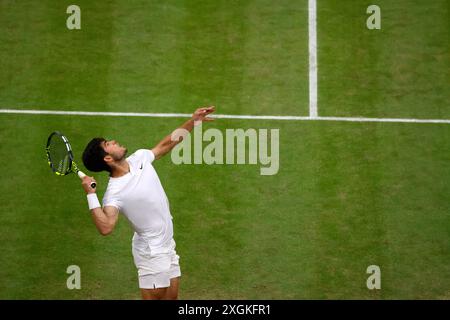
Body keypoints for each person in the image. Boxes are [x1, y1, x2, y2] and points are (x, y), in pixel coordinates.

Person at [80, 106, 215, 300]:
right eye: (109, 144)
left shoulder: (140, 157)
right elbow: (106, 227)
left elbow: (167, 144)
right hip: (151, 252)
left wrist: (193, 121)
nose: (115, 142)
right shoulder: (114, 193)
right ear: (108, 158)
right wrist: (91, 194)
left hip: (167, 244)